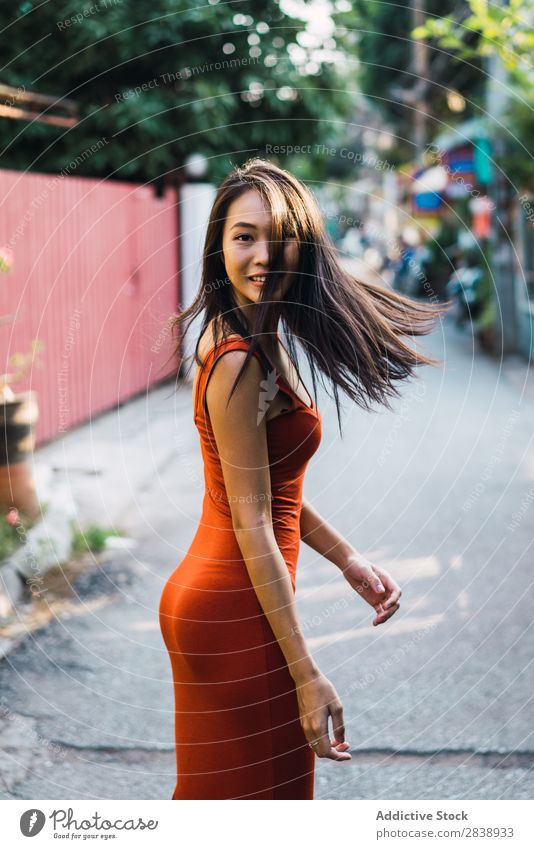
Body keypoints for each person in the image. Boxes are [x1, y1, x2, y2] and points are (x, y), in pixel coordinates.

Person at [159, 158, 449, 800]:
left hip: (224, 603)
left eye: (279, 236)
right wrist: (306, 672)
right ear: (219, 247)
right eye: (243, 236)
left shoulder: (258, 336)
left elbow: (270, 489)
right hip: (233, 610)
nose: (262, 255)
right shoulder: (238, 362)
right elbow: (253, 519)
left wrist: (348, 560)